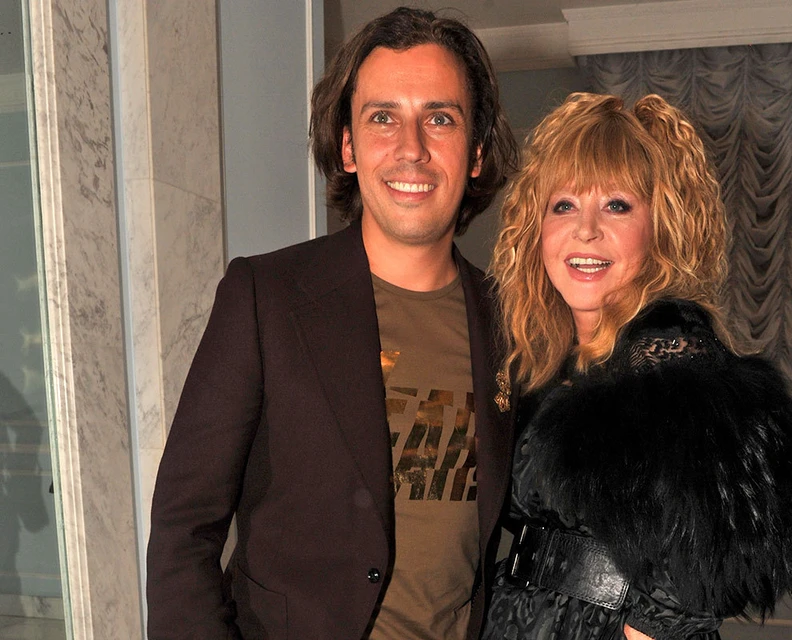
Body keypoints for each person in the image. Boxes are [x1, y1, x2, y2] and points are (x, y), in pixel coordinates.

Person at [146, 7, 519, 639]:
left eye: (440, 118)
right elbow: (184, 527)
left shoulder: (510, 321)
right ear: (347, 147)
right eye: (382, 117)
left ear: (477, 152)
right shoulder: (265, 296)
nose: (411, 147)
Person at [482, 92, 792, 640]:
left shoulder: (670, 350)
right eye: (563, 205)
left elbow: (710, 553)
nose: (586, 229)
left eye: (617, 205)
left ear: (661, 226)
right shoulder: (548, 359)